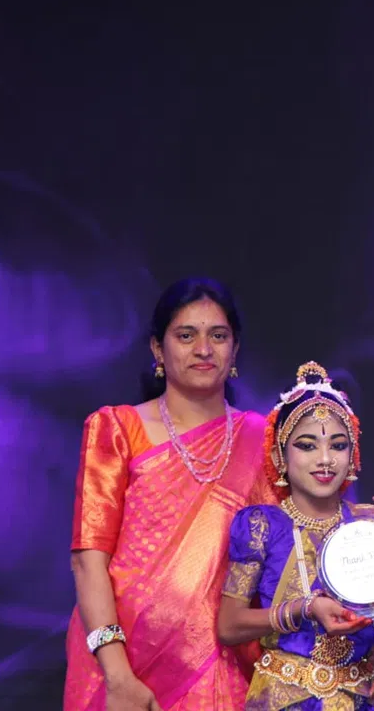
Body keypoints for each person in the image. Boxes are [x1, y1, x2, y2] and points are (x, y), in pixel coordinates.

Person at [64, 277, 276, 711]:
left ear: (235, 349)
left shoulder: (263, 440)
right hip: (120, 665)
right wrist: (118, 675)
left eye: (218, 336)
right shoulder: (117, 429)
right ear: (158, 349)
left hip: (221, 663)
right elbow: (88, 561)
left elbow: (288, 555)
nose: (204, 349)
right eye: (186, 335)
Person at [216, 361, 374, 711]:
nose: (325, 460)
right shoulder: (262, 525)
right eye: (307, 446)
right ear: (279, 455)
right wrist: (304, 609)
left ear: (352, 455)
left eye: (338, 446)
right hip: (283, 700)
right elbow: (229, 626)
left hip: (357, 698)